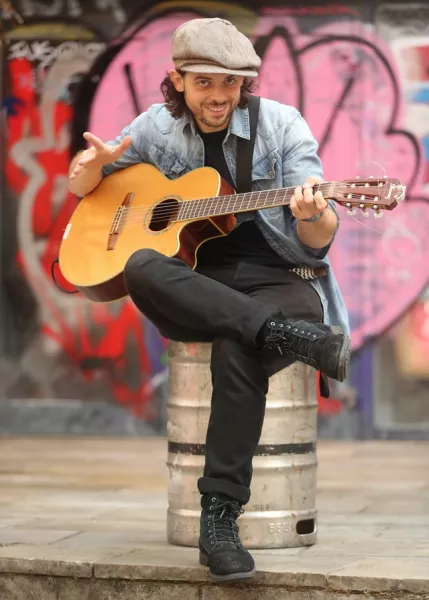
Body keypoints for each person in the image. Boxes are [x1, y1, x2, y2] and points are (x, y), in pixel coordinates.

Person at [68, 17, 350, 583]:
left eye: (231, 84)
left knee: (237, 342)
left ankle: (216, 519)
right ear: (178, 80)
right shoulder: (156, 127)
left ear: (246, 83)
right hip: (194, 284)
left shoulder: (281, 126)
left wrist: (315, 213)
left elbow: (319, 239)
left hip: (276, 274)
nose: (218, 97)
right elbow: (87, 189)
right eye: (204, 84)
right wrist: (92, 167)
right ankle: (284, 335)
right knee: (142, 263)